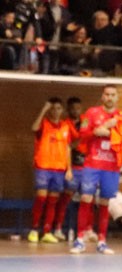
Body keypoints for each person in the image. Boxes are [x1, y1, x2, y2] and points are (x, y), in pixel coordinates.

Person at [70, 84, 122, 255]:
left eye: (113, 94)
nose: (110, 97)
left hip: (111, 166)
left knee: (105, 202)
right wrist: (97, 131)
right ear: (102, 96)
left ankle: (102, 241)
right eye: (107, 94)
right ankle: (79, 240)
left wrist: (109, 134)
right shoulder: (91, 113)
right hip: (93, 164)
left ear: (117, 97)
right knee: (86, 197)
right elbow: (82, 135)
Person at [29, 97, 79, 244]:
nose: (55, 111)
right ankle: (33, 230)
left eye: (58, 108)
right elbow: (34, 128)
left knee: (52, 201)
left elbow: (68, 148)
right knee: (41, 198)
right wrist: (44, 109)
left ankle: (47, 232)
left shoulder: (65, 126)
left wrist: (69, 168)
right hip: (43, 167)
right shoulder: (44, 123)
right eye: (53, 108)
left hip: (59, 169)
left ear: (62, 110)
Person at [53, 97, 86, 241]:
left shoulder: (86, 121)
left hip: (87, 167)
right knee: (65, 199)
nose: (76, 111)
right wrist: (68, 169)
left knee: (87, 199)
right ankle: (58, 228)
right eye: (73, 108)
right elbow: (68, 146)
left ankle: (86, 231)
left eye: (78, 108)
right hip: (72, 167)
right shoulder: (65, 124)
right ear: (68, 109)